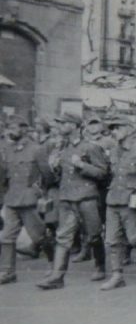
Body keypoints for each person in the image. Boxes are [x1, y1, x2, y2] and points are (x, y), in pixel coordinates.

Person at [37, 113, 110, 290]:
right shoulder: (62, 148)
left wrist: (82, 166)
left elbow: (103, 173)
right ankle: (57, 276)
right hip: (67, 198)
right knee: (63, 237)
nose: (60, 126)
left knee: (93, 235)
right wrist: (53, 167)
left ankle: (100, 266)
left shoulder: (91, 147)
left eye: (64, 123)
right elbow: (59, 176)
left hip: (86, 198)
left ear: (75, 126)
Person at [99, 118, 136, 290]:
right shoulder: (113, 151)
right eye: (113, 129)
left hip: (132, 201)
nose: (114, 132)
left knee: (135, 238)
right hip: (113, 200)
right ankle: (117, 276)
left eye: (117, 128)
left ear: (128, 129)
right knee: (111, 239)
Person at [0, 116, 55, 285]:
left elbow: (47, 175)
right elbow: (3, 176)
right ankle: (8, 272)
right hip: (11, 199)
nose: (9, 131)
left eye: (13, 127)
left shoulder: (36, 149)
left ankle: (55, 265)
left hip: (29, 200)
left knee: (38, 237)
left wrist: (41, 193)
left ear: (24, 129)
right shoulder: (7, 149)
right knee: (7, 237)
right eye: (9, 128)